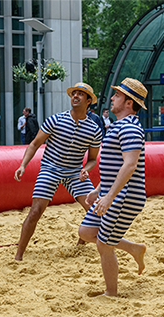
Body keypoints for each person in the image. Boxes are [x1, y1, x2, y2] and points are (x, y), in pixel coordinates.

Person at [14, 82, 102, 261]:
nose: (75, 96)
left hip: (75, 171)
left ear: (89, 101)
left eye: (80, 94)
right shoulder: (55, 120)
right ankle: (19, 255)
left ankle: (80, 245)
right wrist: (23, 165)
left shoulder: (94, 130)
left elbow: (93, 159)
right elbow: (34, 144)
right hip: (50, 168)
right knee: (35, 211)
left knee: (94, 210)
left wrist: (86, 169)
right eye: (73, 93)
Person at [79, 78, 148, 297]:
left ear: (129, 103)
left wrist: (109, 195)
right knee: (87, 232)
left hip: (125, 195)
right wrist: (99, 189)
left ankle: (111, 293)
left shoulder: (130, 128)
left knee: (104, 244)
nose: (112, 98)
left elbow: (130, 165)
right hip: (113, 192)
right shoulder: (119, 125)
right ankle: (134, 248)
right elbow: (116, 166)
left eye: (117, 95)